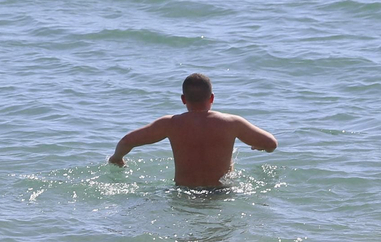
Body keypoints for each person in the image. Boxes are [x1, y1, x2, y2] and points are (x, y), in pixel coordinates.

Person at [108, 73, 277, 188]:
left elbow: (127, 141)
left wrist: (117, 158)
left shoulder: (170, 124)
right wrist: (260, 146)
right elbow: (271, 143)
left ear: (183, 99)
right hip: (221, 194)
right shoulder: (231, 123)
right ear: (212, 98)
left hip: (184, 193)